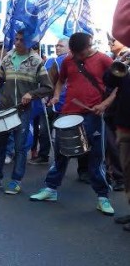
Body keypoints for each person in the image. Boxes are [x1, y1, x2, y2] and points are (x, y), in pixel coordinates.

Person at [30, 32, 116, 216]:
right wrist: (55, 95)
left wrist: (104, 104)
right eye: (74, 53)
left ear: (89, 46)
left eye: (80, 53)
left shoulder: (103, 60)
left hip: (94, 114)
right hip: (69, 111)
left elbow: (118, 85)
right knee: (61, 153)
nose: (76, 57)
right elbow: (61, 81)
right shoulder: (69, 60)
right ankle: (51, 189)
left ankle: (103, 198)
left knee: (95, 157)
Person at [0, 30, 53, 195]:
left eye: (22, 40)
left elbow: (48, 87)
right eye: (16, 39)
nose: (17, 42)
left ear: (29, 42)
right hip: (4, 108)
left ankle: (16, 181)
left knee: (20, 147)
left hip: (22, 110)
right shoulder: (6, 58)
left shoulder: (36, 61)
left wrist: (32, 94)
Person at [29, 38, 69, 165]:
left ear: (69, 48)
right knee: (44, 131)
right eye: (56, 45)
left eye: (61, 46)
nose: (57, 48)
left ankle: (62, 159)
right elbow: (46, 81)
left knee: (62, 134)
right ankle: (44, 155)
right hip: (50, 102)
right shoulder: (51, 61)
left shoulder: (70, 61)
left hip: (64, 103)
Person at [103, 52, 130, 230]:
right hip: (125, 127)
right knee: (128, 173)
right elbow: (109, 81)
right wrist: (120, 63)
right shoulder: (126, 64)